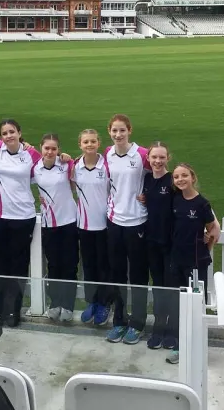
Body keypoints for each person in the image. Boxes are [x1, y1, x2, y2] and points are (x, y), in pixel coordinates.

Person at [0, 120, 42, 327]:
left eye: (12, 132)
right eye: (4, 133)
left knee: (18, 266)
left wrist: (66, 157)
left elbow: (50, 164)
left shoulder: (31, 154)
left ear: (19, 132)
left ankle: (14, 310)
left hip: (23, 216)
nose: (8, 136)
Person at [166, 163, 221, 365]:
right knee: (179, 302)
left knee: (197, 304)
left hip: (196, 262)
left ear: (193, 177)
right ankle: (180, 344)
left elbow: (212, 229)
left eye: (184, 176)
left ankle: (196, 345)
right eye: (176, 177)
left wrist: (207, 245)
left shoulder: (202, 204)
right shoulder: (175, 199)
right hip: (177, 259)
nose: (180, 179)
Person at [104, 113, 150, 345]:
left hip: (137, 222)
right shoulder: (108, 153)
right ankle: (119, 321)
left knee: (139, 275)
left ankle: (138, 322)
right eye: (114, 130)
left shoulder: (142, 154)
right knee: (117, 274)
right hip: (114, 221)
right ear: (109, 132)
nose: (118, 134)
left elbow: (163, 178)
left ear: (129, 130)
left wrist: (148, 195)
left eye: (122, 130)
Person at [32, 133, 78, 322]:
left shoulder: (66, 165)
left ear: (58, 150)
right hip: (49, 223)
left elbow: (77, 183)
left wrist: (70, 160)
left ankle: (68, 305)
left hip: (69, 221)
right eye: (47, 148)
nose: (50, 152)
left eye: (54, 148)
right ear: (41, 148)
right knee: (54, 265)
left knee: (69, 265)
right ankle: (55, 303)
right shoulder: (35, 169)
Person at [71, 129, 111, 327]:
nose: (89, 145)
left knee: (104, 266)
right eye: (85, 142)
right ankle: (92, 302)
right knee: (88, 266)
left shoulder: (107, 165)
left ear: (98, 143)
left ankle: (104, 303)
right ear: (80, 144)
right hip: (84, 224)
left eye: (93, 141)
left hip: (104, 224)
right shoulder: (74, 166)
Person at [140, 142, 174, 350]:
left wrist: (212, 222)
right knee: (158, 285)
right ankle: (159, 327)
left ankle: (172, 329)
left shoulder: (173, 180)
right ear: (148, 158)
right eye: (154, 157)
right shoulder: (147, 179)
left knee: (171, 286)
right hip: (152, 240)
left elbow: (192, 199)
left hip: (170, 242)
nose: (158, 161)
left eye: (162, 157)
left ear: (168, 158)